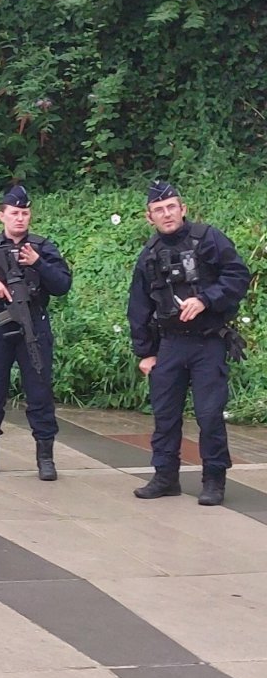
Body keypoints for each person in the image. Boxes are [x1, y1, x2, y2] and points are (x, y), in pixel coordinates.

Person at [127, 181, 250, 506]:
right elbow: (139, 306)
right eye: (159, 210)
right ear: (149, 216)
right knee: (165, 415)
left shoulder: (208, 239)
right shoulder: (149, 255)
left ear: (183, 209)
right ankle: (165, 477)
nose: (166, 214)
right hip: (169, 345)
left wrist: (206, 300)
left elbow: (237, 276)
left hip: (208, 342)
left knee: (209, 415)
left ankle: (214, 480)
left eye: (171, 207)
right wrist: (145, 352)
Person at [0, 185, 72, 480]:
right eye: (14, 213)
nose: (20, 218)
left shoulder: (42, 248)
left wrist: (38, 263)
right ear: (2, 216)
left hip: (33, 325)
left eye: (25, 213)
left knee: (39, 391)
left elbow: (61, 286)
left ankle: (45, 457)